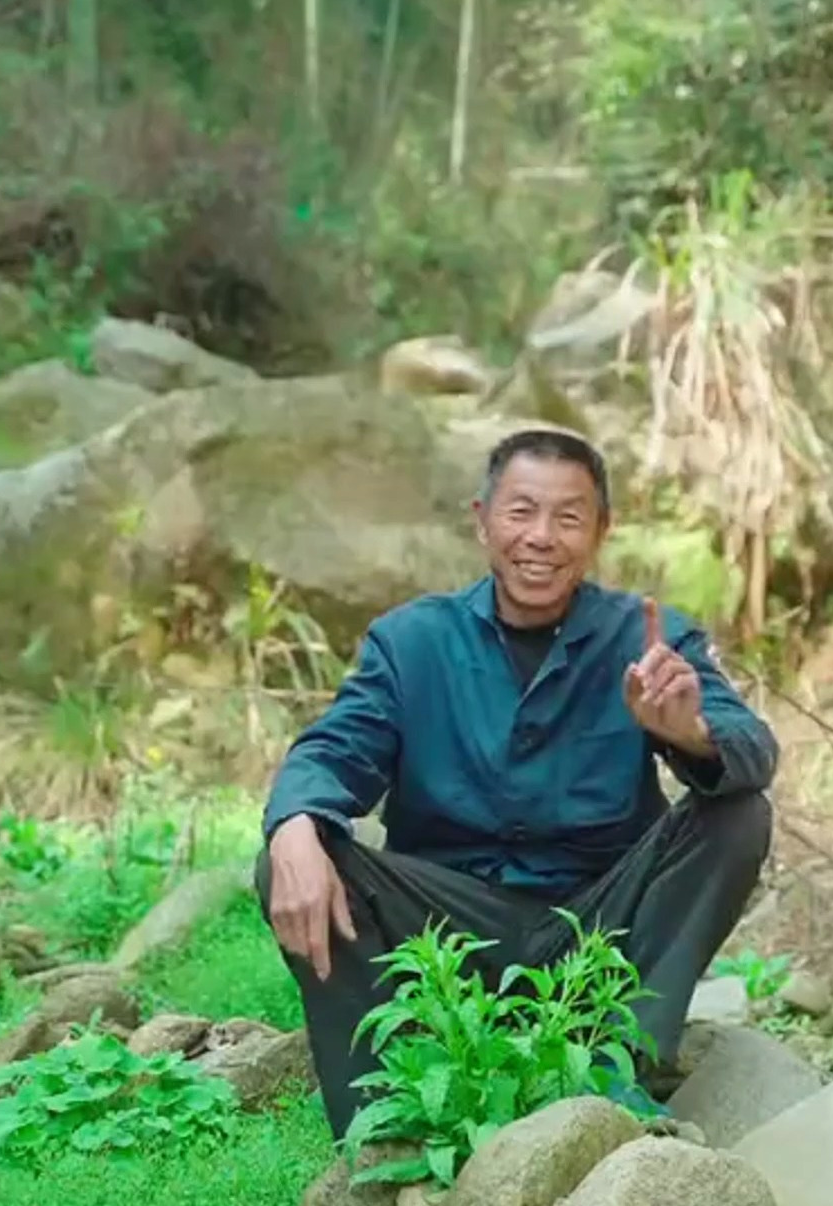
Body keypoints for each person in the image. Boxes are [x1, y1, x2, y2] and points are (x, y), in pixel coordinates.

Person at [255, 427, 778, 1135]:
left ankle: (614, 1069)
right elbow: (332, 750)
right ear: (482, 521)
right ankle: (388, 1101)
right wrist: (293, 824)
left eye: (568, 517)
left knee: (739, 813)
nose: (541, 536)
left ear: (600, 531)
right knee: (296, 849)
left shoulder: (648, 638)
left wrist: (690, 733)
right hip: (446, 935)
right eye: (521, 511)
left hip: (598, 928)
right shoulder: (413, 641)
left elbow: (751, 744)